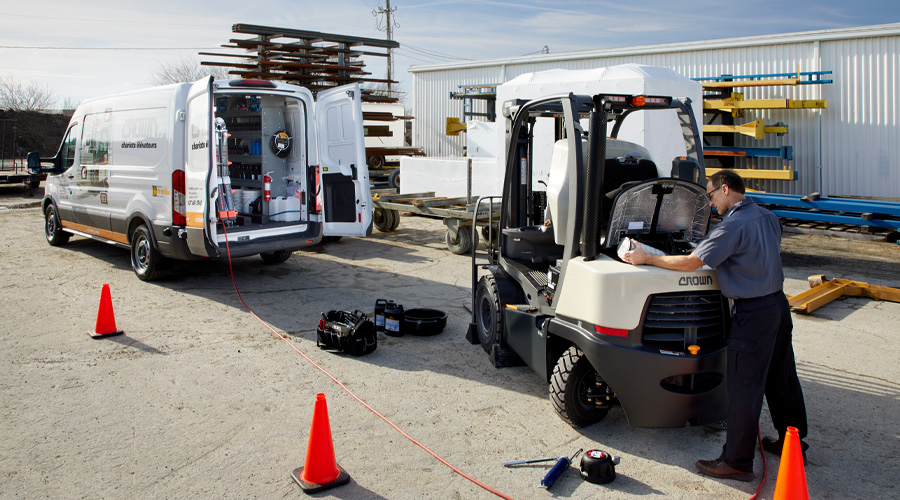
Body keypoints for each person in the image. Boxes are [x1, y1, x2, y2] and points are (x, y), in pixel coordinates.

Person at [622, 169, 808, 482]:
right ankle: (794, 441)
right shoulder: (766, 216)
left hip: (753, 314)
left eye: (710, 196)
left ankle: (736, 462)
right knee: (782, 375)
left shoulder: (732, 225)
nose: (710, 204)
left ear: (724, 189)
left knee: (745, 388)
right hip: (778, 306)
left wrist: (647, 259)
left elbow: (693, 262)